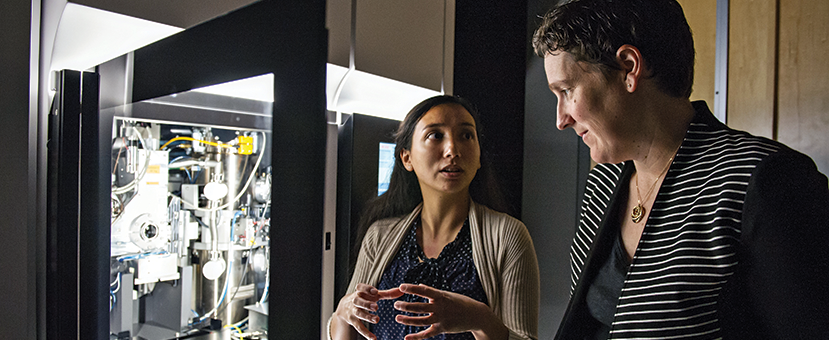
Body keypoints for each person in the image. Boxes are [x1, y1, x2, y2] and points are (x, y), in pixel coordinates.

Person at [531, 0, 829, 339]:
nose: (561, 119)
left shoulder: (765, 181)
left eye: (567, 91)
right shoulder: (604, 179)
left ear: (629, 67)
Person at [328, 95, 540, 340]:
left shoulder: (508, 237)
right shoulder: (380, 235)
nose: (453, 149)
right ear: (406, 158)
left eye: (466, 135)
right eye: (435, 135)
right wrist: (343, 313)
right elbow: (349, 327)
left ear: (479, 155)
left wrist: (478, 318)